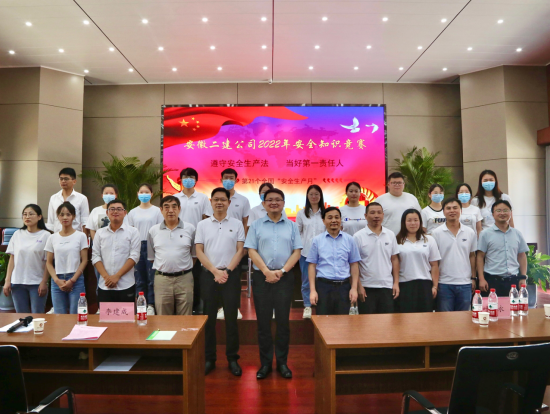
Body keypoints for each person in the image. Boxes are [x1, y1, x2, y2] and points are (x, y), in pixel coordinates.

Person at [245, 188, 302, 380]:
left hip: (284, 278)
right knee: (263, 323)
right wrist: (266, 272)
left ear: (284, 203)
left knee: (283, 322)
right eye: (269, 200)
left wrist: (282, 271)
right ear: (263, 204)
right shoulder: (256, 225)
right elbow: (251, 250)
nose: (274, 202)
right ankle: (266, 363)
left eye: (278, 199)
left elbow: (297, 252)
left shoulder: (292, 226)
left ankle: (283, 363)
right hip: (262, 278)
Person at [196, 188, 245, 377]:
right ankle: (210, 358)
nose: (219, 202)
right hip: (209, 275)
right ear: (210, 202)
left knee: (231, 319)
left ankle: (232, 358)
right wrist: (215, 271)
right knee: (208, 319)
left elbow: (240, 250)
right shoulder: (202, 225)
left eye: (223, 200)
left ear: (229, 203)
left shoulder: (237, 224)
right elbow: (199, 251)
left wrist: (227, 272)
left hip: (230, 275)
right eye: (215, 199)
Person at [174, 167, 213, 315]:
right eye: (185, 177)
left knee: (196, 274)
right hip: (178, 240)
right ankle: (180, 305)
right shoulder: (175, 198)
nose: (188, 180)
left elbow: (206, 219)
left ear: (196, 180)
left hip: (197, 240)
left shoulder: (202, 198)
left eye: (191, 177)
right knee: (181, 271)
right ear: (181, 180)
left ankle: (197, 305)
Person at [307, 207, 360, 315]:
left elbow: (354, 264)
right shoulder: (317, 240)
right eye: (330, 218)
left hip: (343, 287)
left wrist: (354, 288)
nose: (334, 220)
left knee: (343, 322)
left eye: (337, 217)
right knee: (323, 321)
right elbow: (312, 266)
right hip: (323, 286)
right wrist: (312, 290)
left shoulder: (350, 239)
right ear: (323, 221)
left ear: (340, 219)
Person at [148, 196, 195, 315]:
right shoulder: (153, 230)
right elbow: (152, 258)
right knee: (163, 318)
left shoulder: (190, 229)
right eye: (166, 207)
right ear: (161, 210)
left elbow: (194, 255)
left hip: (184, 279)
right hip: (162, 280)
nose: (170, 210)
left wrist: (181, 267)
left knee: (185, 317)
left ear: (179, 209)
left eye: (174, 207)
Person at [3, 205, 51, 313]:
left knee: (37, 316)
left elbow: (48, 262)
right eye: (25, 214)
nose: (27, 217)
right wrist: (7, 280)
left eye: (31, 214)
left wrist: (44, 282)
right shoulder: (17, 234)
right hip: (17, 282)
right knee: (21, 317)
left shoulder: (46, 235)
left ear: (39, 217)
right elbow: (12, 258)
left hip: (37, 283)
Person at [353, 202, 400, 314]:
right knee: (367, 322)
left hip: (387, 286)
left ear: (383, 215)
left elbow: (394, 259)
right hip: (366, 287)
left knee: (387, 321)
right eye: (372, 213)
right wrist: (359, 286)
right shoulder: (358, 236)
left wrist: (396, 283)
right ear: (365, 216)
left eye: (379, 213)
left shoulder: (390, 235)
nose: (376, 216)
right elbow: (354, 264)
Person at [432, 198, 477, 312]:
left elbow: (472, 256)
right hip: (444, 284)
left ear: (461, 210)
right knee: (445, 319)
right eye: (448, 208)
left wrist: (473, 278)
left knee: (464, 319)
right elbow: (434, 261)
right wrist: (435, 284)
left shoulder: (470, 232)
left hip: (465, 283)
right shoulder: (436, 233)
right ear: (443, 212)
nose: (452, 211)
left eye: (455, 208)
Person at [92, 199, 141, 304]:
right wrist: (107, 278)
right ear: (107, 213)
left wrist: (117, 276)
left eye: (119, 209)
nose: (115, 211)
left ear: (125, 212)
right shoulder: (99, 233)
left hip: (126, 284)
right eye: (112, 209)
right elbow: (95, 256)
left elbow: (134, 256)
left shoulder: (133, 232)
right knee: (106, 315)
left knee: (127, 315)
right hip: (105, 285)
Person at [476, 200, 528, 297]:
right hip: (492, 281)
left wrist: (523, 277)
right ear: (493, 214)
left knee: (513, 306)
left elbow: (522, 256)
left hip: (513, 280)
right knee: (492, 306)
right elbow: (480, 257)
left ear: (510, 213)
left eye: (505, 210)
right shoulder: (485, 234)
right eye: (499, 210)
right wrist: (481, 279)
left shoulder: (517, 234)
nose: (502, 213)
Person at [45, 202, 89, 314]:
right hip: (57, 280)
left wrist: (73, 280)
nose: (65, 217)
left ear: (74, 216)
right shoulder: (52, 238)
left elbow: (84, 260)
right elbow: (49, 263)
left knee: (76, 315)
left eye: (68, 214)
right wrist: (56, 280)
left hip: (76, 280)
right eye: (62, 214)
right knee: (59, 316)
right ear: (58, 217)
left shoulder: (81, 236)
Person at [127, 183, 163, 315]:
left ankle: (151, 304)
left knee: (151, 276)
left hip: (151, 244)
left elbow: (160, 229)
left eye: (147, 192)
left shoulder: (157, 211)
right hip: (136, 245)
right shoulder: (132, 212)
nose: (144, 194)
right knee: (139, 277)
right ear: (137, 194)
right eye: (141, 192)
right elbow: (129, 231)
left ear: (152, 194)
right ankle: (141, 303)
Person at [396, 209, 441, 313]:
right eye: (409, 220)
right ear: (404, 222)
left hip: (424, 284)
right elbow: (394, 264)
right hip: (404, 284)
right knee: (405, 318)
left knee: (425, 318)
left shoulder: (429, 240)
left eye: (416, 220)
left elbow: (434, 265)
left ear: (420, 222)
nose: (413, 223)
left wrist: (435, 286)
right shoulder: (397, 241)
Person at [295, 185, 325, 319]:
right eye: (311, 194)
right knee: (306, 281)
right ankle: (307, 306)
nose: (314, 197)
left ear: (320, 196)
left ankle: (321, 305)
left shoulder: (325, 213)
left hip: (324, 253)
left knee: (323, 280)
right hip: (306, 253)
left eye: (316, 194)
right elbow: (297, 233)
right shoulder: (301, 213)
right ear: (307, 196)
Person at [47, 167, 90, 233]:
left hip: (76, 236)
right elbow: (50, 222)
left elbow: (85, 221)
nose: (63, 181)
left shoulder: (82, 198)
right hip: (57, 235)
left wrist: (84, 237)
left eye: (66, 179)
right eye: (61, 179)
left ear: (74, 181)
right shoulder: (53, 198)